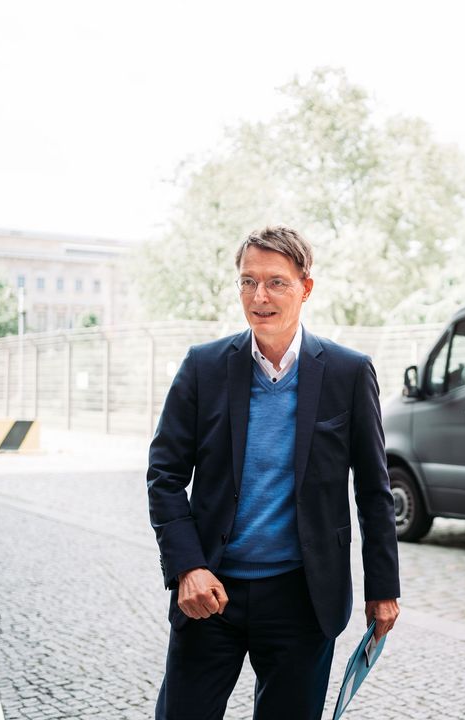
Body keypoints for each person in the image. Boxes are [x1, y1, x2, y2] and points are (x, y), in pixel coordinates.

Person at [147, 226, 400, 720]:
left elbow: (374, 490)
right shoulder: (203, 366)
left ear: (306, 288)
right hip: (209, 591)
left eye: (276, 282)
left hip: (302, 598)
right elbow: (165, 475)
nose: (259, 296)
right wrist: (187, 567)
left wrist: (383, 588)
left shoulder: (348, 373)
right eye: (247, 282)